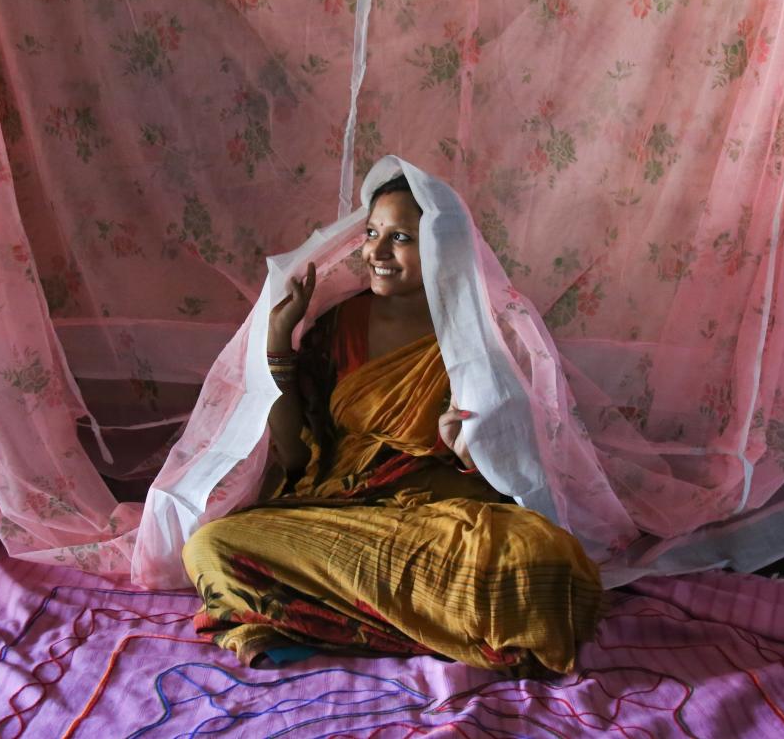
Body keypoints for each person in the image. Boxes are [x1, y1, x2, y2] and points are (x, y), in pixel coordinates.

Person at [181, 175, 603, 675]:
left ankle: (318, 619)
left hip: (434, 520)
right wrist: (277, 337)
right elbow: (296, 456)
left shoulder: (477, 333)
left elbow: (514, 478)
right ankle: (424, 624)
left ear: (442, 246)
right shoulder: (338, 324)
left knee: (541, 563)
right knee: (210, 546)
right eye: (372, 233)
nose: (377, 251)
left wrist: (468, 451)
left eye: (401, 237)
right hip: (340, 516)